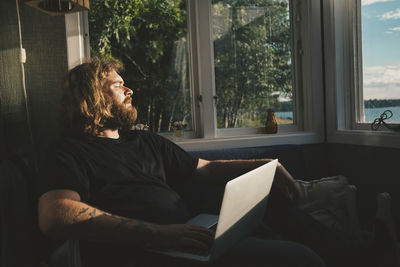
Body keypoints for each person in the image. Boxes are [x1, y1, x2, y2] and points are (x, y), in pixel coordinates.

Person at [37, 58, 328, 267]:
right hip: (153, 252)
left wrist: (268, 165)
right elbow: (55, 214)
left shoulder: (143, 141)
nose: (130, 91)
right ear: (93, 96)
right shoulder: (69, 152)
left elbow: (205, 168)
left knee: (279, 209)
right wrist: (160, 235)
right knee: (302, 259)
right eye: (119, 85)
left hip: (189, 238)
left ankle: (352, 251)